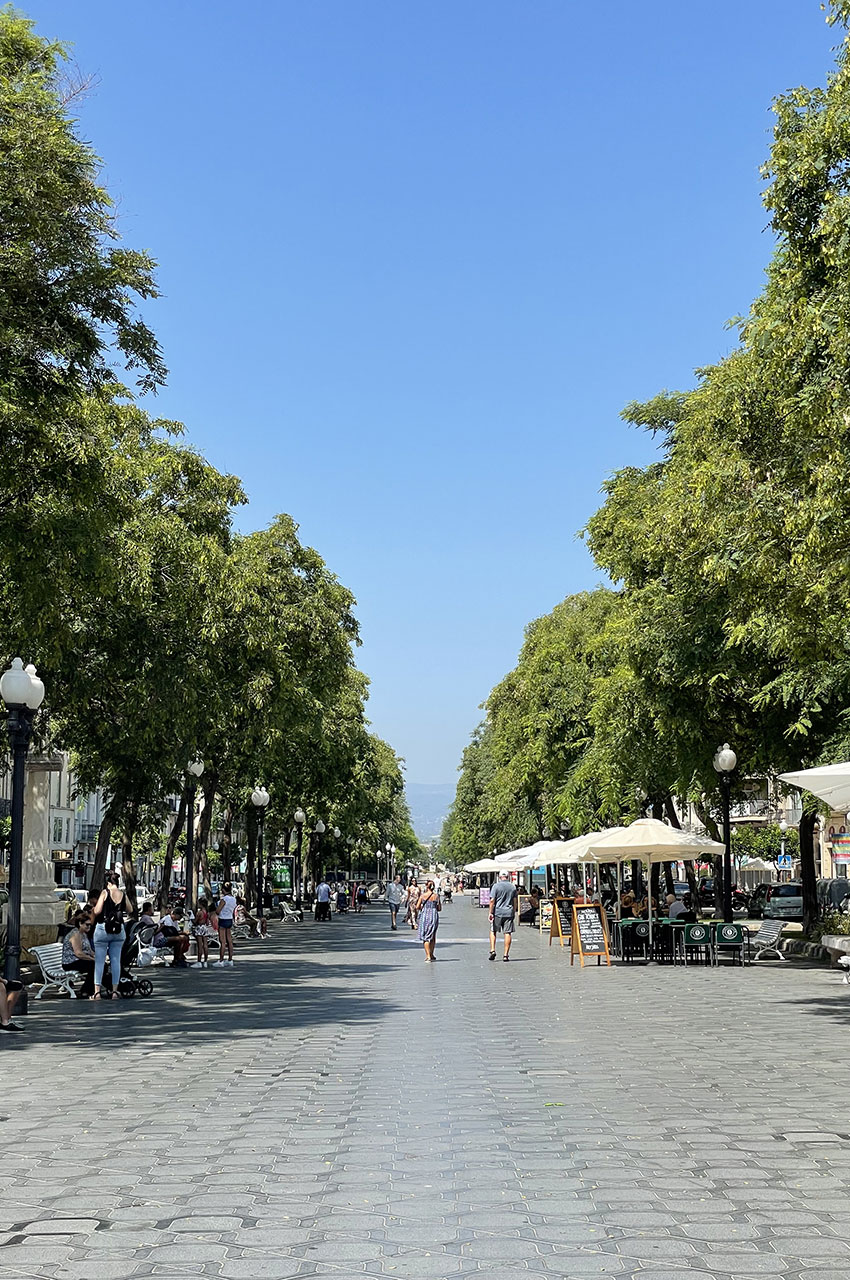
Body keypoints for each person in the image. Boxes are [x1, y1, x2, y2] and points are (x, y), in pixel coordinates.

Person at [91, 871, 127, 999]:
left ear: (108, 882)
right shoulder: (123, 894)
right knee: (115, 960)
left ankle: (97, 992)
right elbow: (130, 909)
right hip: (119, 930)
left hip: (103, 929)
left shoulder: (105, 892)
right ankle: (115, 991)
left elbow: (97, 911)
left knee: (99, 961)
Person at [61, 910, 99, 997]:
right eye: (87, 925)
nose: (89, 927)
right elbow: (79, 953)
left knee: (101, 964)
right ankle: (85, 990)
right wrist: (92, 959)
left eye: (90, 925)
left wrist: (97, 956)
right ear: (80, 924)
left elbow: (89, 950)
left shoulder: (83, 934)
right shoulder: (75, 934)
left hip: (79, 960)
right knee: (93, 966)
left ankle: (96, 987)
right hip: (71, 962)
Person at [488, 870, 518, 962]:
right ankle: (505, 955)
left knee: (493, 930)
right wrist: (514, 911)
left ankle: (492, 950)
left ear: (499, 877)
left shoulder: (496, 886)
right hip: (508, 912)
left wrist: (490, 912)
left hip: (497, 912)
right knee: (507, 933)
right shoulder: (512, 887)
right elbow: (515, 900)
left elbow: (492, 900)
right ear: (508, 877)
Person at [417, 879, 441, 962]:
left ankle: (428, 956)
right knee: (433, 936)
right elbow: (439, 908)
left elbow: (417, 906)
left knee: (426, 937)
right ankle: (432, 954)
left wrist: (423, 908)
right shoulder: (437, 896)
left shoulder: (423, 896)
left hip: (425, 915)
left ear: (427, 886)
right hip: (434, 916)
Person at [216, 882, 237, 966]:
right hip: (229, 919)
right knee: (230, 940)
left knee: (223, 941)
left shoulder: (224, 899)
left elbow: (218, 911)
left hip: (223, 919)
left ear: (224, 890)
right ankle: (230, 959)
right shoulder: (233, 899)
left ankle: (221, 960)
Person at [193, 897, 215, 967]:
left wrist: (191, 918)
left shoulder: (199, 912)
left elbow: (195, 922)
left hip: (199, 927)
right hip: (205, 928)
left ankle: (199, 961)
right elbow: (208, 923)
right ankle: (205, 961)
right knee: (205, 945)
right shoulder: (207, 913)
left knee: (200, 945)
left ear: (201, 904)